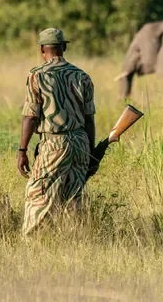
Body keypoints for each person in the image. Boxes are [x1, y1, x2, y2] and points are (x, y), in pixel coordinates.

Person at [17, 28, 96, 235]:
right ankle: (73, 240)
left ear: (43, 49)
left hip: (54, 142)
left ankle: (31, 242)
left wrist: (22, 150)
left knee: (38, 194)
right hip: (80, 141)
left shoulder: (37, 75)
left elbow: (30, 116)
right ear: (64, 48)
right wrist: (91, 151)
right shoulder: (82, 76)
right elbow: (89, 119)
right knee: (73, 197)